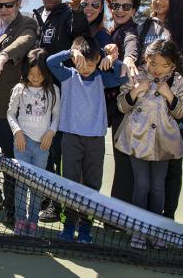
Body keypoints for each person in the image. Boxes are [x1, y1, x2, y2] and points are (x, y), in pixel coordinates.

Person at [47, 35, 127, 243]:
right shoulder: (67, 76)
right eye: (81, 63)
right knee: (69, 183)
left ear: (98, 60)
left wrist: (113, 59)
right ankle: (68, 224)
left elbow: (124, 77)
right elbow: (50, 62)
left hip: (95, 140)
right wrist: (69, 52)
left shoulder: (102, 77)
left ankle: (85, 227)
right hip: (71, 138)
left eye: (91, 64)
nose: (86, 68)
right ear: (74, 60)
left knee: (92, 183)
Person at [126, 0, 183, 219]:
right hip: (144, 107)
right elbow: (135, 55)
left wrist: (169, 92)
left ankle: (166, 219)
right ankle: (140, 220)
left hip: (170, 105)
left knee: (169, 166)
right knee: (143, 176)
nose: (159, 0)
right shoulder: (146, 25)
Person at [114, 39, 183, 249]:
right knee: (142, 184)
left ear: (173, 65)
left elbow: (182, 110)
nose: (157, 69)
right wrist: (135, 91)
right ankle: (138, 230)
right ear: (146, 59)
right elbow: (121, 105)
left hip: (163, 143)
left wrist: (169, 95)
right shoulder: (136, 75)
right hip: (136, 139)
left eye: (164, 65)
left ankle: (156, 230)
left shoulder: (176, 81)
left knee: (157, 186)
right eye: (153, 63)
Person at [32, 0, 88, 223]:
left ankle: (56, 203)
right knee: (39, 150)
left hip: (60, 95)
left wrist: (77, 11)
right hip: (35, 94)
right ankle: (43, 197)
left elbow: (80, 35)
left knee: (56, 151)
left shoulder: (68, 15)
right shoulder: (34, 16)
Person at [0, 0, 37, 224]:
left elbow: (25, 41)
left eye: (8, 4)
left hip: (11, 108)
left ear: (19, 3)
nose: (3, 10)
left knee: (12, 161)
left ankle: (13, 209)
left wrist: (4, 55)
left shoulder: (27, 23)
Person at [7, 49, 60, 235]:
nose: (35, 78)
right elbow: (11, 114)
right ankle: (20, 221)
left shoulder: (53, 91)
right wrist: (18, 132)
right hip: (22, 144)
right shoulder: (19, 90)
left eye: (39, 74)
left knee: (37, 185)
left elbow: (56, 116)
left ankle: (32, 221)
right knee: (21, 184)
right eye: (31, 74)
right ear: (25, 72)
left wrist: (51, 133)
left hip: (42, 146)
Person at [103, 0, 141, 205]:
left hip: (126, 107)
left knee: (124, 159)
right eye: (116, 5)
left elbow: (131, 45)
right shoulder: (112, 31)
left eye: (127, 6)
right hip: (114, 105)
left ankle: (120, 211)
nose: (120, 10)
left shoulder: (129, 31)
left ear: (134, 10)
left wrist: (129, 59)